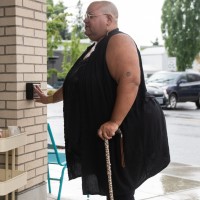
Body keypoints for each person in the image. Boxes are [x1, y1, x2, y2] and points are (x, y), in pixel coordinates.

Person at [35, 1, 170, 200]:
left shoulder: (119, 40)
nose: (85, 20)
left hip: (124, 130)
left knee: (120, 188)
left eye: (90, 16)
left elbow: (130, 80)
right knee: (112, 187)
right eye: (85, 16)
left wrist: (114, 122)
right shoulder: (95, 47)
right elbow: (75, 83)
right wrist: (48, 99)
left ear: (109, 19)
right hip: (107, 132)